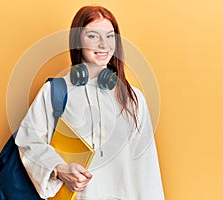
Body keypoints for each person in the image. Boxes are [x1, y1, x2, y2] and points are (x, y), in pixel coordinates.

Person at [15, 5, 164, 200]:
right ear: (78, 41)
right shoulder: (54, 92)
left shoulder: (133, 99)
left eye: (110, 36)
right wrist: (58, 169)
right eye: (93, 36)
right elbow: (28, 141)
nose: (103, 45)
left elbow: (147, 169)